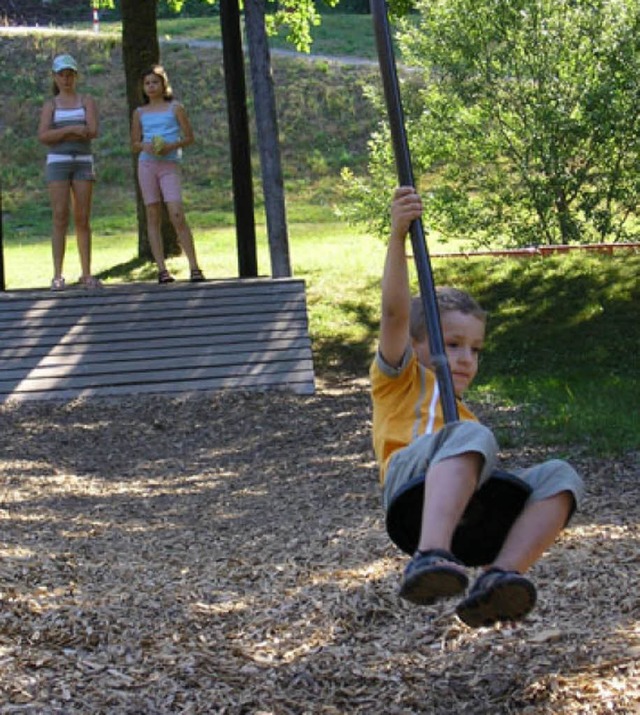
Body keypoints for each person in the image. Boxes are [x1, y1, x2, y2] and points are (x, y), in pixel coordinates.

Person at [371, 186, 584, 627]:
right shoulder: (400, 381)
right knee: (473, 437)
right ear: (416, 345)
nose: (465, 358)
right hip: (408, 487)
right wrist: (397, 237)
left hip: (469, 514)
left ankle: (499, 577)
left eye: (475, 349)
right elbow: (394, 314)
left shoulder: (465, 420)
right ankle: (428, 556)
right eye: (451, 345)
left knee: (561, 476)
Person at [130, 64, 205, 284]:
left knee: (176, 214)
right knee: (152, 214)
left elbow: (189, 137)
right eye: (147, 83)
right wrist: (146, 146)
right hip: (147, 165)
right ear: (143, 88)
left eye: (155, 82)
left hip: (169, 165)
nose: (151, 87)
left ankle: (194, 267)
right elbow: (134, 142)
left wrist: (171, 146)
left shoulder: (175, 108)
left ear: (164, 84)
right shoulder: (140, 112)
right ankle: (162, 269)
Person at [38, 53, 101, 290]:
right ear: (55, 77)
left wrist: (61, 131)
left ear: (76, 76)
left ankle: (86, 273)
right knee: (59, 215)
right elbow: (44, 135)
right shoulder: (51, 105)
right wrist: (73, 129)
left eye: (70, 75)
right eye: (62, 75)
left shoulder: (86, 101)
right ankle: (57, 274)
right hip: (58, 161)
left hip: (83, 160)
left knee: (82, 217)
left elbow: (92, 130)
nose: (66, 80)